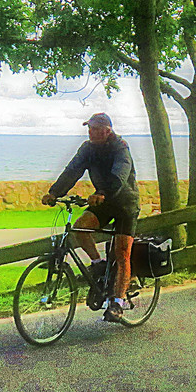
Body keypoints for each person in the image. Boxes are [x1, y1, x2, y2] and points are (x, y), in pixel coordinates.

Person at [41, 112, 142, 323]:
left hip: (124, 204)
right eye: (89, 128)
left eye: (95, 129)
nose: (91, 132)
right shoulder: (87, 149)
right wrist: (54, 193)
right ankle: (98, 264)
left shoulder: (120, 147)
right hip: (103, 202)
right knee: (79, 228)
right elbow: (72, 170)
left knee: (122, 251)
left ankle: (117, 303)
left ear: (108, 131)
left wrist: (102, 192)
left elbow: (120, 175)